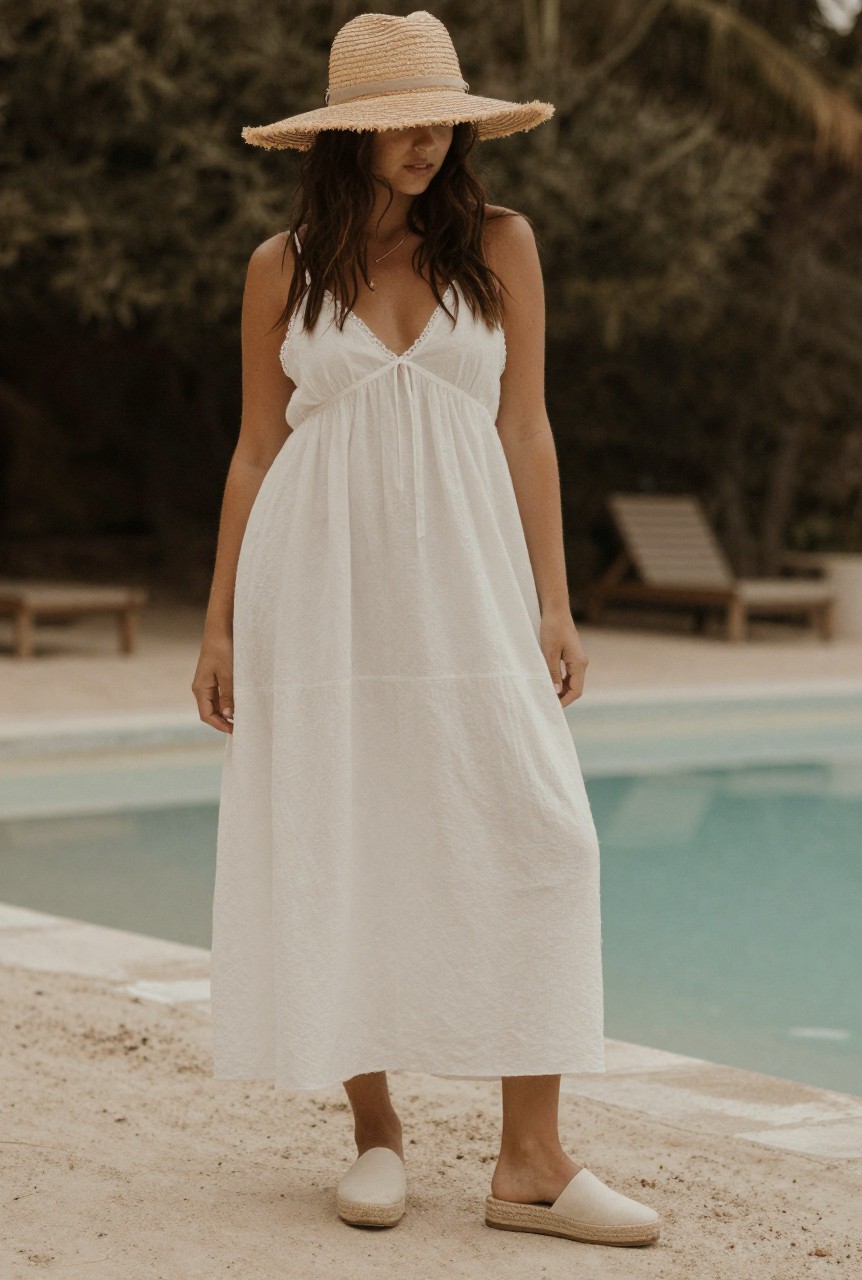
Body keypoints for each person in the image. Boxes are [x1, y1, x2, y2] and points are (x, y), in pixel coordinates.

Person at [192, 8, 661, 1249]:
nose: (425, 142)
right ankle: (376, 1130)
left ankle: (531, 1159)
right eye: (399, 123)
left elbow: (526, 426)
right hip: (317, 586)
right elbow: (256, 447)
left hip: (469, 579)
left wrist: (553, 598)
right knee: (341, 832)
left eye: (441, 120)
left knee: (543, 831)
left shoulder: (501, 245)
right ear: (343, 137)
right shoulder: (280, 267)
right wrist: (220, 621)